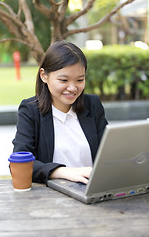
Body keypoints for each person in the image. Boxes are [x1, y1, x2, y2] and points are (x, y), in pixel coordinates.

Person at [13, 40, 108, 185]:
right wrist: (63, 172)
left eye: (80, 80)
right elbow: (19, 163)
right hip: (51, 197)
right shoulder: (30, 110)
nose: (72, 88)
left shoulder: (93, 105)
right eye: (64, 80)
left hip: (92, 191)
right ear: (44, 75)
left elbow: (109, 153)